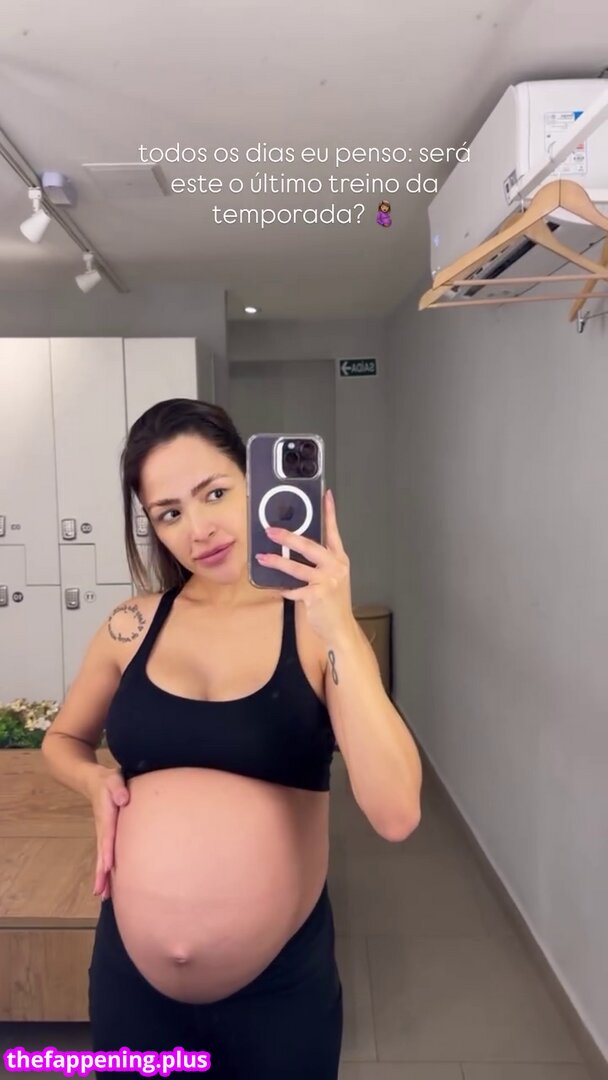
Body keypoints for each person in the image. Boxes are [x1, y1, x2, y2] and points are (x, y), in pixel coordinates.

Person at [42, 398, 422, 1078]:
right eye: (169, 513)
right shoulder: (131, 626)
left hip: (280, 995)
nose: (199, 529)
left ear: (255, 483)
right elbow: (63, 738)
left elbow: (397, 813)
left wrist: (338, 624)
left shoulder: (314, 628)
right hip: (132, 990)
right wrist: (92, 778)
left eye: (214, 493)